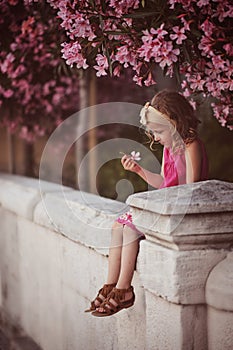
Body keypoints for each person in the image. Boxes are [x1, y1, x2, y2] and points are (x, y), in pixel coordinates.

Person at [85, 89, 209, 317]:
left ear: (175, 123)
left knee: (130, 229)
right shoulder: (169, 149)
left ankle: (124, 289)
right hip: (164, 204)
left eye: (159, 131)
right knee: (118, 226)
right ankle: (110, 285)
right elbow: (164, 181)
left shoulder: (191, 146)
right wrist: (139, 170)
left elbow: (192, 189)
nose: (156, 137)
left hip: (177, 211)